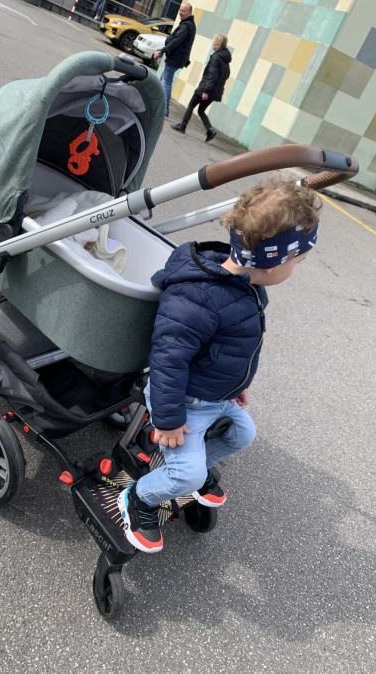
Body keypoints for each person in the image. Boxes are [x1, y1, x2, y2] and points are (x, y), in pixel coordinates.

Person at [118, 178, 321, 553]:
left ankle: (188, 473)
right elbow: (167, 360)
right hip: (183, 402)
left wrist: (236, 385)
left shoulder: (248, 286)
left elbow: (235, 347)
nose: (300, 265)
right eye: (298, 259)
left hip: (216, 395)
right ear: (273, 260)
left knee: (243, 435)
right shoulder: (198, 297)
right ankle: (139, 497)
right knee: (188, 473)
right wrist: (168, 420)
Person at [171, 33, 231, 143]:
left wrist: (205, 91)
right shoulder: (225, 60)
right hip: (215, 91)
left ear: (219, 44)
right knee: (201, 110)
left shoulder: (216, 57)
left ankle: (182, 126)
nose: (213, 45)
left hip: (206, 88)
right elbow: (226, 75)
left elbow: (212, 75)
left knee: (191, 105)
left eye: (215, 43)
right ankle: (210, 130)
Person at [153, 2, 196, 118]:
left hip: (175, 59)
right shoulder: (188, 24)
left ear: (189, 12)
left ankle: (164, 110)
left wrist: (162, 51)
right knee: (162, 80)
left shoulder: (186, 26)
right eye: (180, 10)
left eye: (183, 11)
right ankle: (157, 105)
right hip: (176, 58)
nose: (180, 12)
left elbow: (176, 41)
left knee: (166, 82)